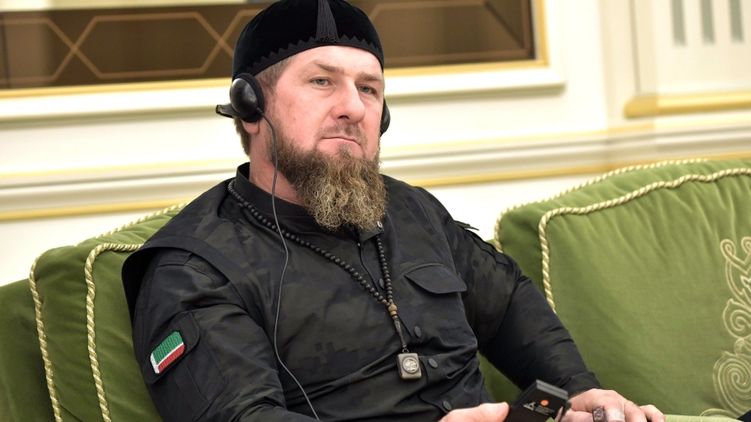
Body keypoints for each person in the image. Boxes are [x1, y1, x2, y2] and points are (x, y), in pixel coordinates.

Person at [121, 1, 665, 421]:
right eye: (322, 81)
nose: (353, 107)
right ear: (250, 107)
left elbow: (505, 303)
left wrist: (579, 388)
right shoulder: (192, 269)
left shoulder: (410, 209)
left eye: (369, 89)